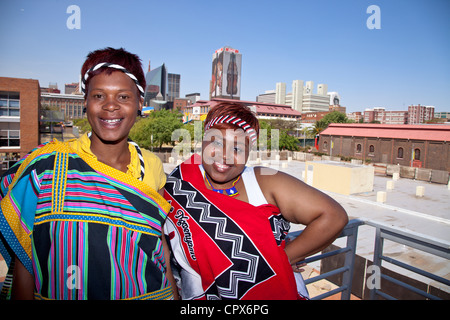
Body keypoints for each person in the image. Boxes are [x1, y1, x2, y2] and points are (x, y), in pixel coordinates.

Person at [0, 47, 177, 300]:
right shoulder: (47, 164)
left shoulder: (151, 165)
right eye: (99, 95)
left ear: (140, 103)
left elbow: (158, 243)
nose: (111, 106)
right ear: (85, 102)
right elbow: (25, 257)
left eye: (124, 97)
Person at [164, 102, 348, 300]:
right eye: (216, 142)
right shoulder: (179, 181)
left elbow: (334, 216)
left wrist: (280, 259)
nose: (224, 155)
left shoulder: (264, 180)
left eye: (237, 148)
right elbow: (163, 250)